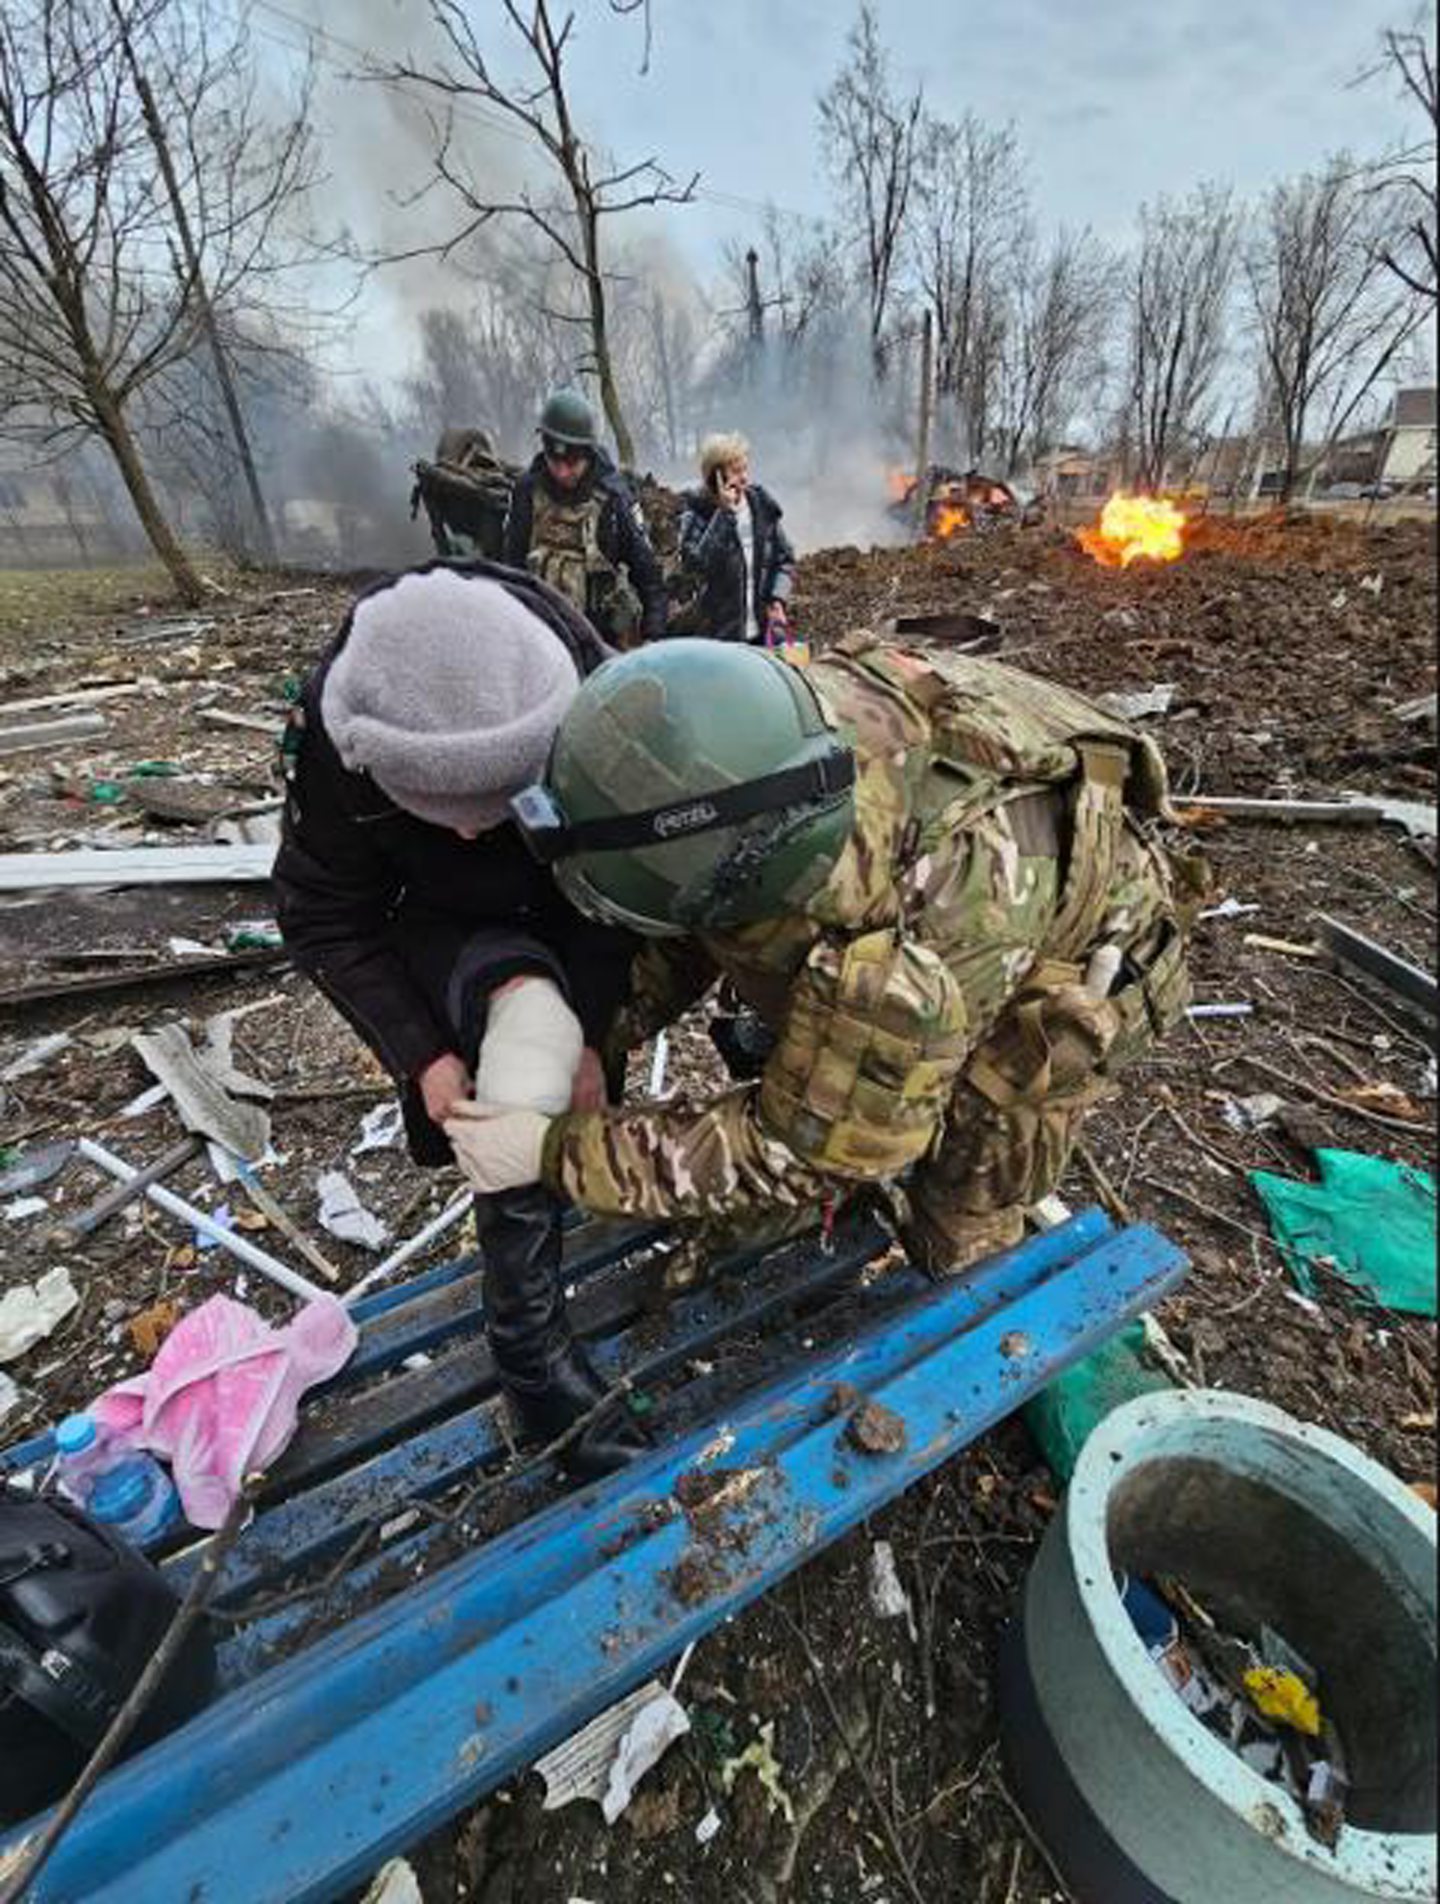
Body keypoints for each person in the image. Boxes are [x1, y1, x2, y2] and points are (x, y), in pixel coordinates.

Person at [440, 636, 1203, 1277]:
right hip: (941, 897)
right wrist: (599, 1028)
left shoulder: (901, 945)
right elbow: (693, 916)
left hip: (1077, 964)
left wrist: (555, 1152)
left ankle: (974, 1346)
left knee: (964, 1195)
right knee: (830, 1056)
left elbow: (805, 1149)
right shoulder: (757, 745)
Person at [273, 560, 649, 1477]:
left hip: (572, 889)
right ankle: (529, 1353)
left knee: (562, 1059)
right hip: (435, 921)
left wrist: (597, 1034)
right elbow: (326, 913)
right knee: (519, 1054)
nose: (475, 830)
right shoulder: (339, 733)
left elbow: (615, 889)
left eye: (494, 804)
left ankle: (562, 1183)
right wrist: (422, 1053)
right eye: (447, 809)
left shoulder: (597, 701)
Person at [502, 388, 666, 649]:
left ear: (588, 454)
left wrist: (653, 639)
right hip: (539, 638)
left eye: (572, 462)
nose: (562, 471)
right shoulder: (526, 492)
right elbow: (510, 568)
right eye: (554, 461)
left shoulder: (615, 498)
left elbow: (648, 574)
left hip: (599, 642)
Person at [677, 433, 795, 644]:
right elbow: (695, 569)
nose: (745, 478)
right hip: (720, 639)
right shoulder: (695, 514)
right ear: (716, 477)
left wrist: (777, 598)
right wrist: (723, 515)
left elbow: (784, 559)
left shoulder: (761, 506)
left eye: (745, 469)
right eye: (737, 471)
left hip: (762, 633)